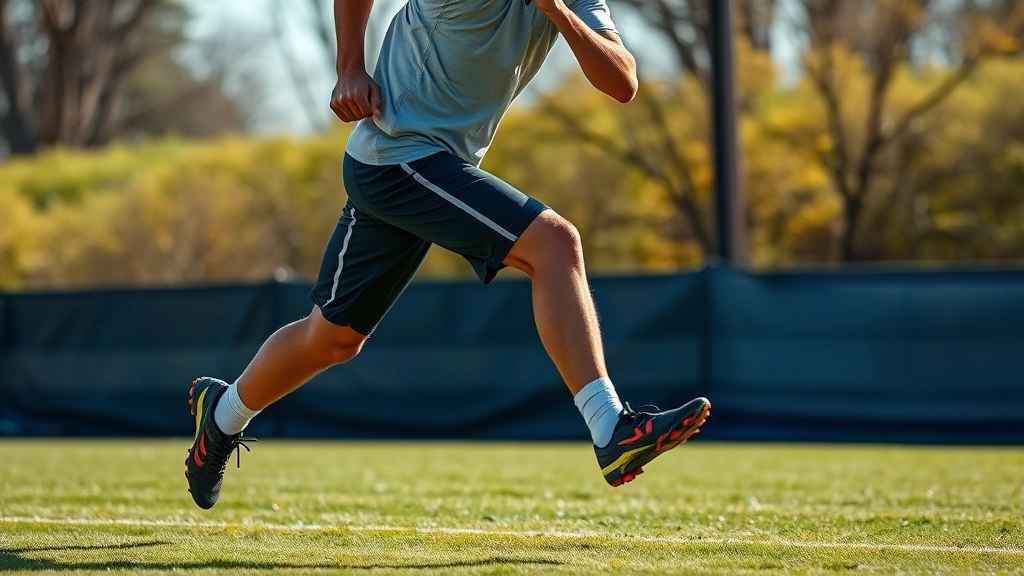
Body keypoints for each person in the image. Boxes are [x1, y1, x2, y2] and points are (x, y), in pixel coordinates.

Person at [185, 0, 710, 510]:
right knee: (554, 243)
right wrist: (349, 68)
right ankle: (611, 428)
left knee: (333, 338)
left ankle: (222, 415)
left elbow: (622, 82)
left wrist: (555, 10)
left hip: (421, 163)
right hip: (397, 155)